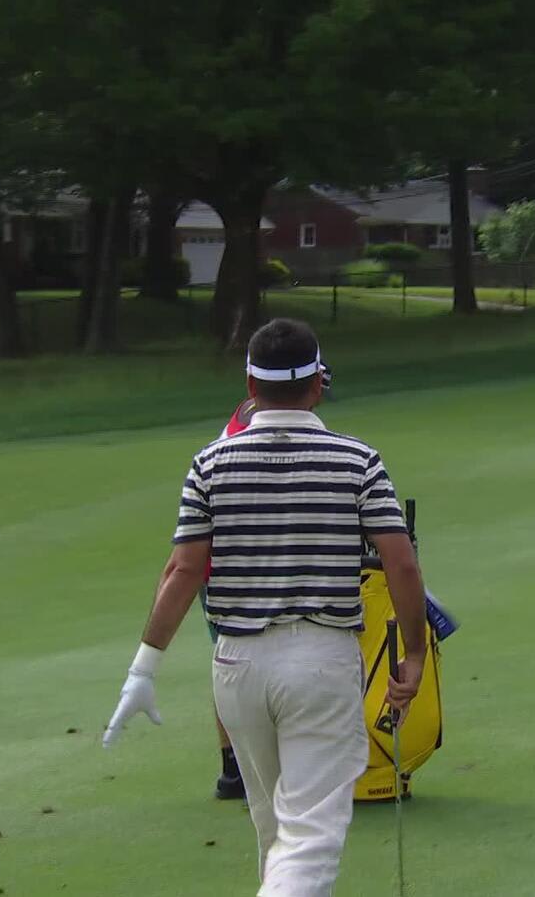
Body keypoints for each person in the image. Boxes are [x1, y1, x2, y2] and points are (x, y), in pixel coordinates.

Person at [104, 319, 427, 897]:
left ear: (250, 382)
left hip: (238, 668)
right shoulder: (358, 461)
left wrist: (143, 668)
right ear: (317, 385)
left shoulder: (210, 463)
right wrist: (414, 653)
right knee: (308, 836)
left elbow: (183, 571)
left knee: (277, 831)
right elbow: (400, 564)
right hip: (323, 661)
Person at [209, 362, 333, 800]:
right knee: (255, 655)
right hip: (239, 563)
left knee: (234, 660)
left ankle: (235, 771)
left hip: (228, 561)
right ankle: (248, 768)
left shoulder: (252, 412)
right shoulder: (256, 429)